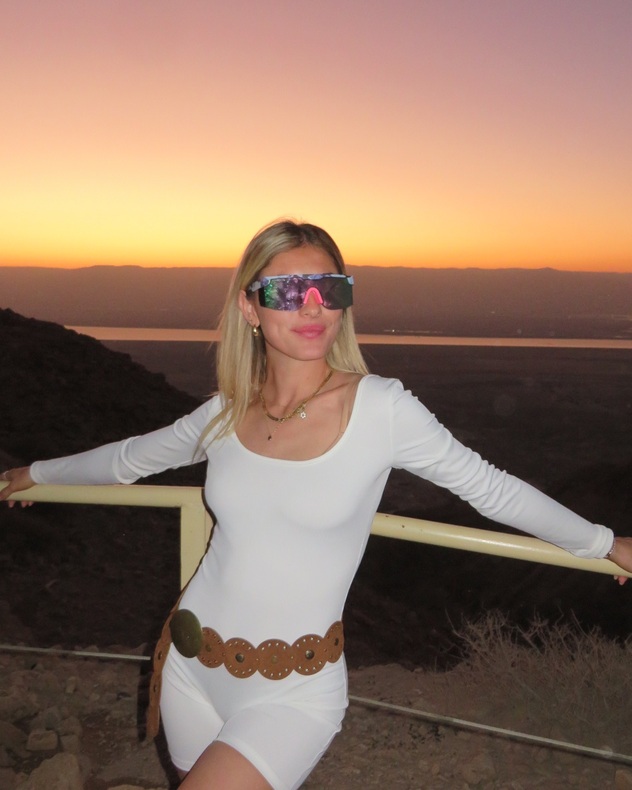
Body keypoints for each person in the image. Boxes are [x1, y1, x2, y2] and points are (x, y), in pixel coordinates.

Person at [1, 219, 631, 790]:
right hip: (191, 668)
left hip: (292, 693)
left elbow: (491, 487)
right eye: (286, 290)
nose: (312, 306)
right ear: (249, 306)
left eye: (329, 289)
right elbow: (130, 459)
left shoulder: (381, 409)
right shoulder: (227, 411)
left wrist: (605, 544)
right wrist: (36, 474)